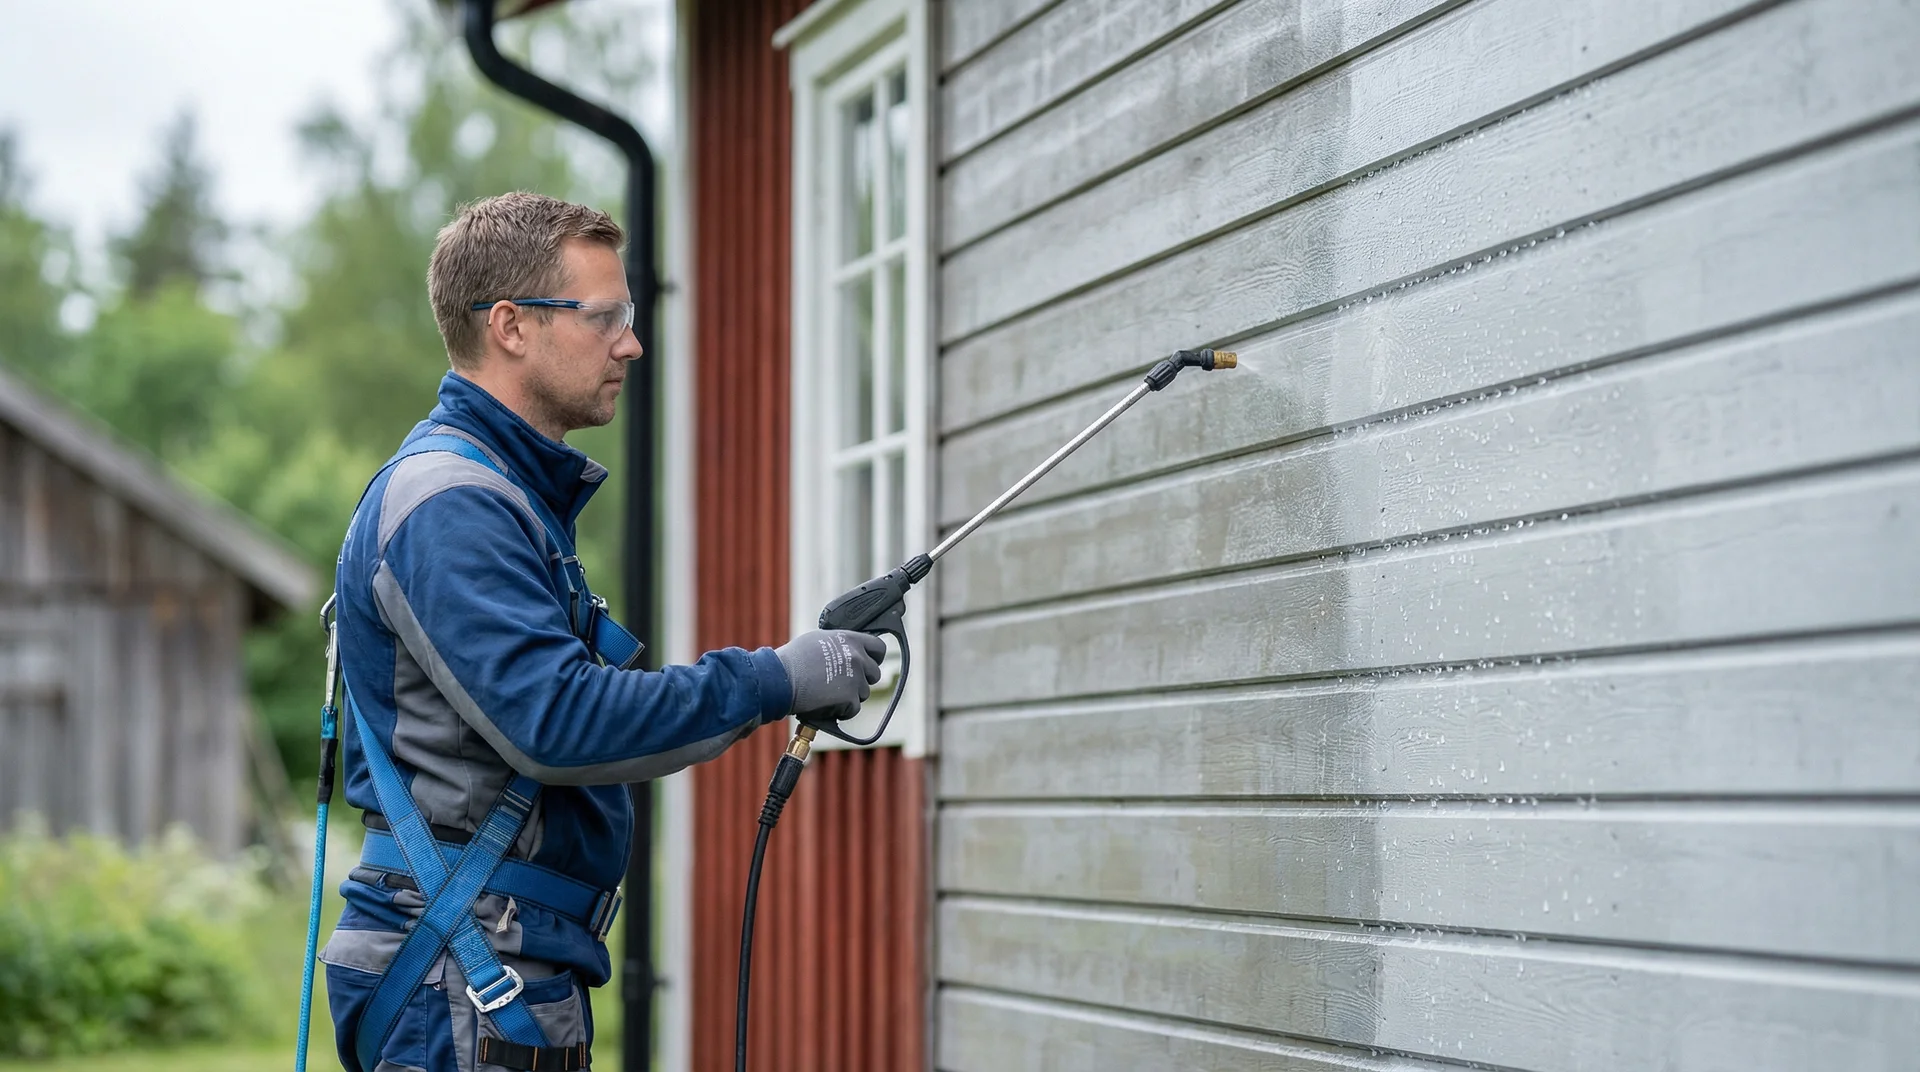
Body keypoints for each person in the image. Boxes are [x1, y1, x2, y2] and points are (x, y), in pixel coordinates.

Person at [320, 191, 883, 1072]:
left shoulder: (501, 496)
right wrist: (776, 677)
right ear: (510, 325)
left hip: (486, 963)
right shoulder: (453, 506)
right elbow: (558, 723)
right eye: (607, 315)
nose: (632, 342)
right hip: (460, 977)